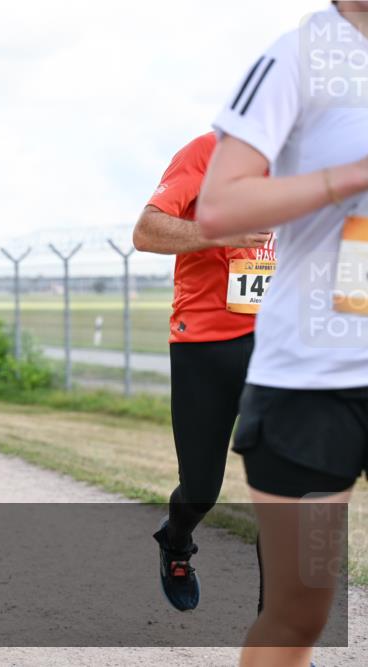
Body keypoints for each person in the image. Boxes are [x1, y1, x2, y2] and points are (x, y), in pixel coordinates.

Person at [196, 3, 368, 665]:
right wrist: (351, 176)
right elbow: (218, 206)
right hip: (313, 383)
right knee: (302, 606)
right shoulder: (298, 56)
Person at [133, 132, 276, 612]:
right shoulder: (206, 152)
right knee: (200, 490)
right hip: (205, 344)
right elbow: (146, 231)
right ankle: (176, 541)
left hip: (283, 346)